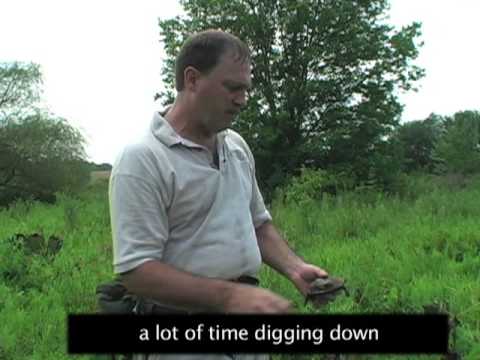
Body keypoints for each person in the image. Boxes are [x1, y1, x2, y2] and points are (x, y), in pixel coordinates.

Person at [109, 29, 328, 360]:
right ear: (193, 79)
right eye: (232, 87)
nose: (242, 99)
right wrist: (231, 298)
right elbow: (137, 271)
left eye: (246, 89)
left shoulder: (235, 145)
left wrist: (294, 268)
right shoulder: (142, 159)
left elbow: (258, 224)